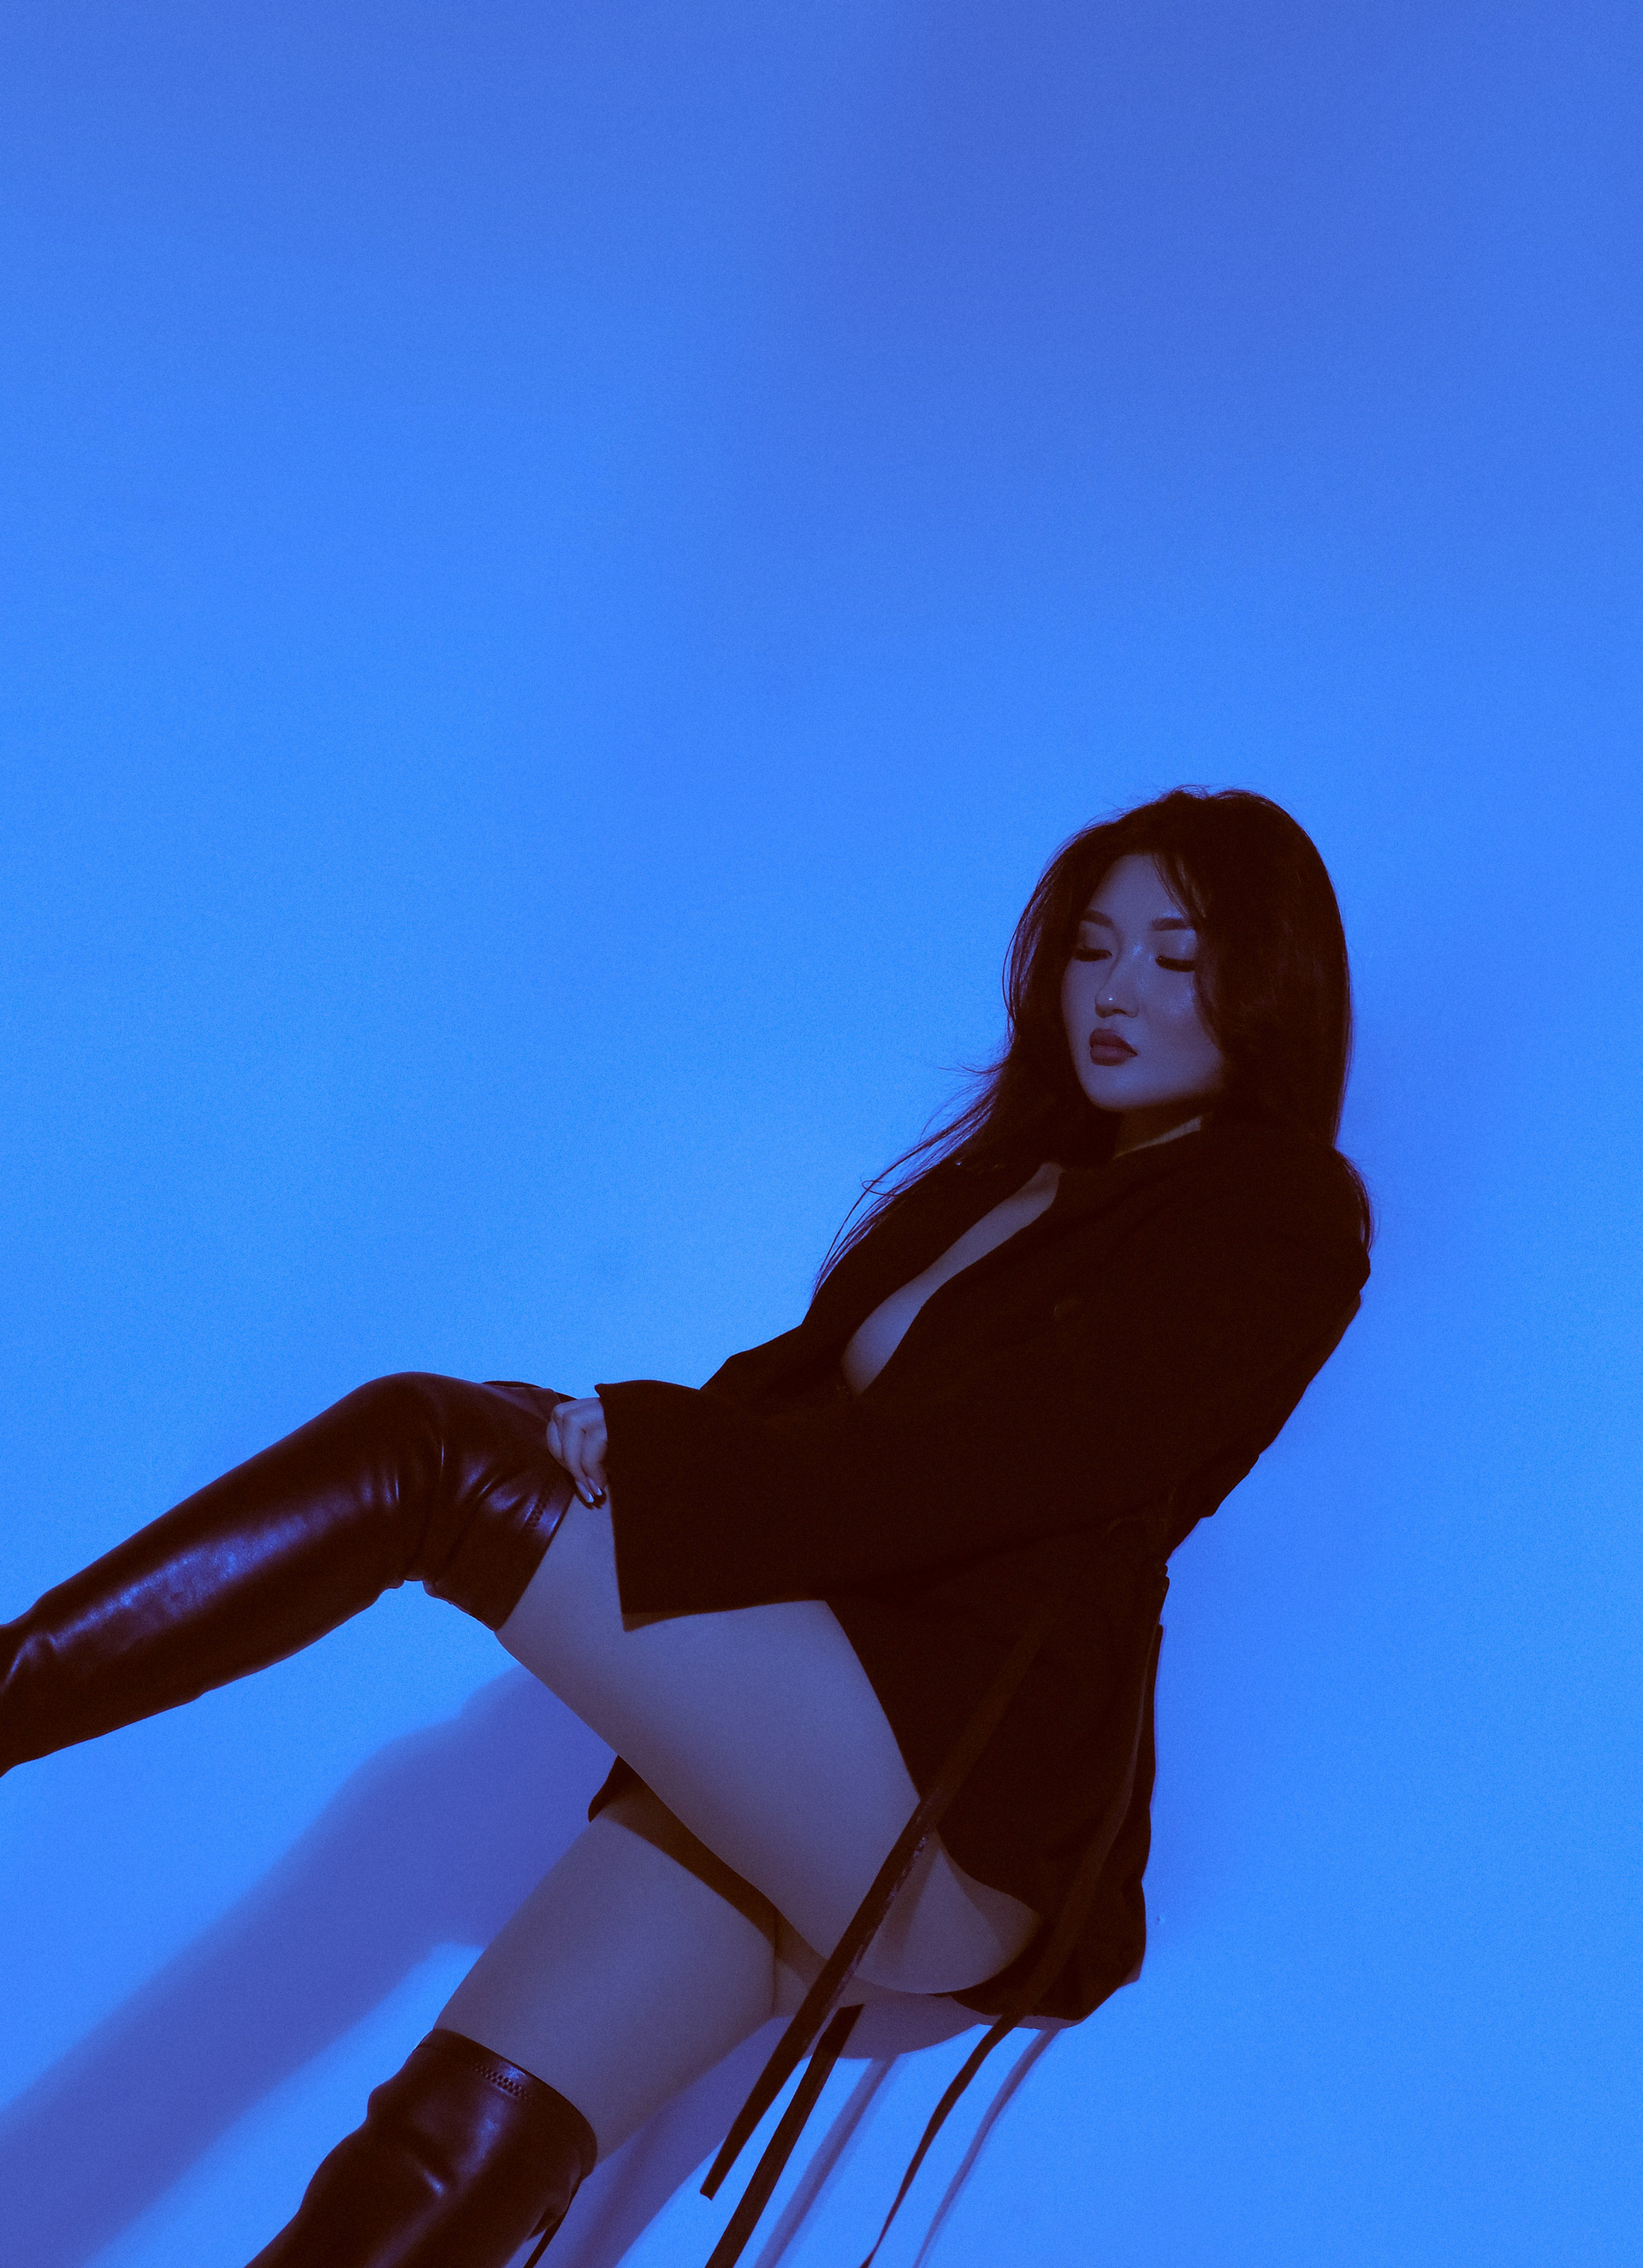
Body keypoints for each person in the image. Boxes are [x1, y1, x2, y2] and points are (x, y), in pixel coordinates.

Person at [1, 786, 1372, 2267]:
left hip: (943, 1808)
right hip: (810, 1761)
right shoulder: (1007, 1178)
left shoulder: (1280, 1211)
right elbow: (793, 1399)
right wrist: (608, 1427)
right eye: (1093, 949)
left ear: (1267, 984)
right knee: (438, 2157)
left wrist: (660, 1454)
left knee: (432, 1455)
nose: (1116, 992)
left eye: (1177, 957)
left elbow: (999, 1462)